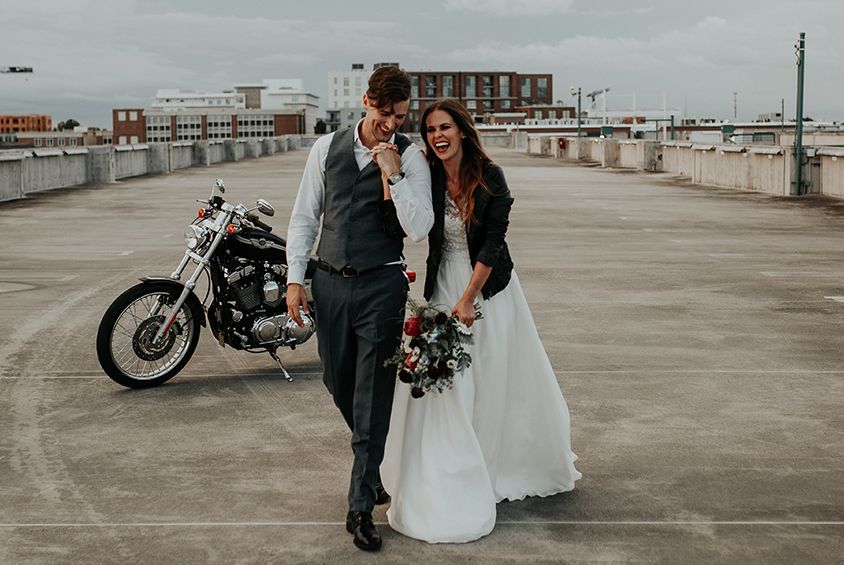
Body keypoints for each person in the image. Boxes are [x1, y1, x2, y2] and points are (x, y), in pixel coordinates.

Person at [381, 98, 581, 543]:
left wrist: (469, 298)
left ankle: (493, 462)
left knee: (490, 377)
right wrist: (389, 170)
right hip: (440, 286)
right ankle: (447, 466)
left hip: (488, 288)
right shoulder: (428, 174)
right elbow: (408, 219)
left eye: (445, 127)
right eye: (430, 129)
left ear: (463, 131)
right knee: (444, 383)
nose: (437, 136)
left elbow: (493, 243)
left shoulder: (491, 178)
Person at [285, 66, 434, 551]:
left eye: (400, 116)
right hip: (328, 284)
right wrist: (294, 280)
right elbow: (305, 217)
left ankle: (359, 505)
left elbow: (419, 227)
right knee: (337, 380)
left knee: (372, 394)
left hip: (381, 286)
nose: (393, 123)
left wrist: (394, 172)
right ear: (367, 101)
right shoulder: (324, 149)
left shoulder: (412, 157)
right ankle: (373, 470)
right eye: (386, 113)